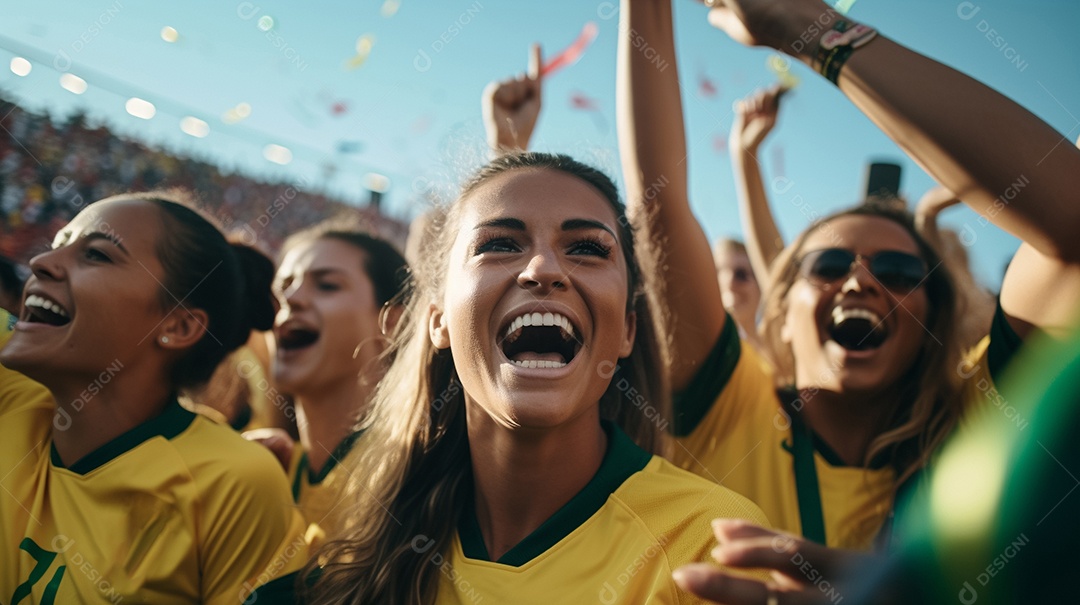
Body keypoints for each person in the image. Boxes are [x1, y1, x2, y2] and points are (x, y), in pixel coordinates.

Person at [617, 0, 1080, 551]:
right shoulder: (731, 407)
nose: (860, 282)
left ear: (937, 314)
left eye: (900, 270)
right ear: (781, 314)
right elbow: (659, 205)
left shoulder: (977, 418)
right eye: (829, 266)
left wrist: (814, 31)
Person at [302, 152, 770, 604]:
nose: (543, 269)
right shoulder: (355, 539)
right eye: (498, 244)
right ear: (438, 319)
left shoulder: (709, 541)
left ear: (627, 330)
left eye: (587, 248)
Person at [0, 191, 307, 603]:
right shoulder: (12, 393)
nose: (41, 262)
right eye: (59, 244)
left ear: (179, 325)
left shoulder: (231, 482)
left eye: (96, 255)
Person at [248, 220, 409, 545]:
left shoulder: (415, 479)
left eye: (327, 286)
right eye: (282, 288)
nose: (290, 299)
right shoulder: (263, 470)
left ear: (392, 322)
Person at [713, 238, 766, 357]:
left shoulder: (781, 350)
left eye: (741, 274)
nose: (729, 282)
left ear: (760, 285)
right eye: (718, 273)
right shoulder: (705, 349)